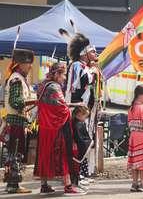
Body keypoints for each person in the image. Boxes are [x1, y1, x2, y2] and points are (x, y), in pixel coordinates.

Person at [34, 63, 85, 195]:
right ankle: (68, 186)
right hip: (57, 128)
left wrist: (72, 104)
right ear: (56, 74)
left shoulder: (42, 85)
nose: (64, 78)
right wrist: (73, 108)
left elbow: (54, 105)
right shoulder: (55, 87)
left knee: (44, 154)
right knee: (63, 154)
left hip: (45, 127)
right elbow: (62, 109)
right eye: (63, 75)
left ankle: (44, 185)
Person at [65, 33, 98, 180]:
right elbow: (83, 81)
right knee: (79, 141)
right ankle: (77, 175)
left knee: (84, 141)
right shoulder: (77, 65)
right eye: (92, 51)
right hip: (75, 110)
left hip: (82, 110)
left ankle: (83, 173)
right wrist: (92, 71)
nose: (95, 54)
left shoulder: (83, 66)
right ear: (84, 53)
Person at [3, 48, 36, 194]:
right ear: (20, 64)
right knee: (14, 154)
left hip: (17, 122)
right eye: (28, 63)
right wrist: (32, 101)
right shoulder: (16, 80)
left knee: (14, 154)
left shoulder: (18, 78)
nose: (30, 66)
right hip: (16, 123)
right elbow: (16, 102)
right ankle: (13, 185)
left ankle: (13, 184)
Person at [72, 106, 94, 188]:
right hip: (77, 147)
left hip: (79, 146)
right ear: (79, 115)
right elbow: (79, 137)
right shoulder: (77, 124)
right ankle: (79, 178)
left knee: (83, 161)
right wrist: (89, 143)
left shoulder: (78, 123)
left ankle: (82, 176)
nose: (85, 119)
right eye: (85, 117)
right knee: (78, 163)